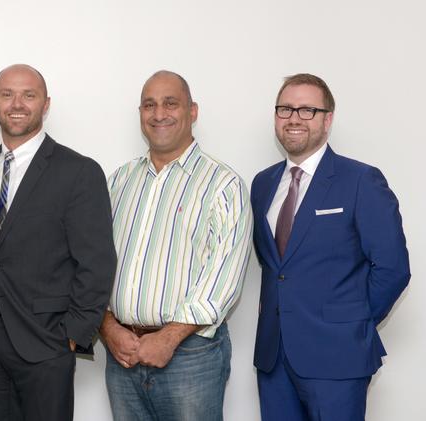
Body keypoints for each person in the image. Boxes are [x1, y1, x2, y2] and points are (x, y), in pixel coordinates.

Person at [0, 64, 117, 421]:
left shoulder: (79, 172)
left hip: (46, 346)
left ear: (46, 104)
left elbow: (97, 262)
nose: (17, 103)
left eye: (29, 94)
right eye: (7, 94)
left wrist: (73, 334)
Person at [252, 73, 410, 421]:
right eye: (285, 109)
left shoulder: (360, 180)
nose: (294, 118)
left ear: (328, 119)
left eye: (307, 109)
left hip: (338, 357)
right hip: (273, 357)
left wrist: (351, 323)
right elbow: (275, 267)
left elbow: (392, 268)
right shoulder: (262, 184)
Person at [100, 70, 252, 421]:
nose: (159, 114)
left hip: (190, 356)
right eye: (149, 105)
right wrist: (107, 327)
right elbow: (94, 263)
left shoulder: (222, 184)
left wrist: (168, 338)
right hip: (121, 353)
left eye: (171, 103)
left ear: (192, 111)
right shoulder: (117, 181)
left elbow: (223, 278)